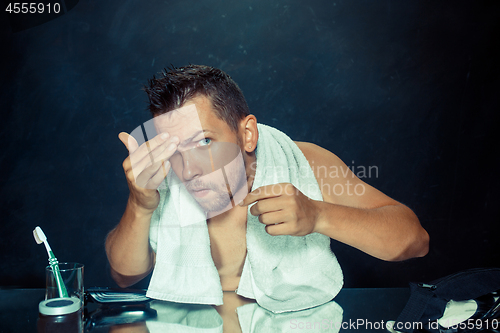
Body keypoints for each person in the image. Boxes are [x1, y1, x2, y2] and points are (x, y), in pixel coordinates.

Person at [105, 64, 429, 301]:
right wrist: (140, 203)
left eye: (204, 142)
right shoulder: (162, 178)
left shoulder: (305, 163)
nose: (188, 170)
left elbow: (413, 240)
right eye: (175, 149)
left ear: (247, 134)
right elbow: (124, 275)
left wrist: (319, 215)